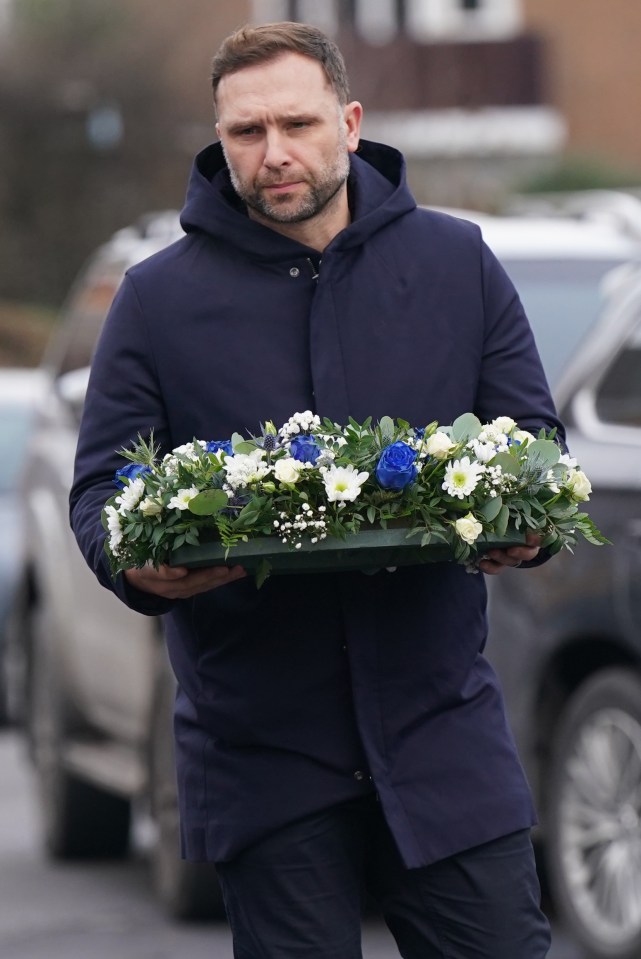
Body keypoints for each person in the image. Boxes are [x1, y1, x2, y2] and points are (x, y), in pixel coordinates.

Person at [70, 21, 557, 958]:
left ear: (349, 119)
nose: (273, 154)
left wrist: (525, 528)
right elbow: (100, 490)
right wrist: (135, 567)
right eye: (245, 134)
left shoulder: (456, 264)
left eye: (296, 123)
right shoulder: (157, 299)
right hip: (262, 751)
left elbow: (535, 442)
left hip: (441, 736)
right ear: (219, 142)